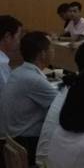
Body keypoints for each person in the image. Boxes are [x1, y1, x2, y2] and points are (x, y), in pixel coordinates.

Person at [0, 32, 57, 164]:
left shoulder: (18, 71)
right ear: (43, 54)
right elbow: (62, 106)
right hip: (25, 142)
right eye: (52, 48)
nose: (54, 51)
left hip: (12, 138)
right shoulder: (33, 79)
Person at [0, 15, 22, 94]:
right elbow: (8, 95)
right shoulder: (2, 64)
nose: (19, 42)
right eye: (18, 37)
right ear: (7, 37)